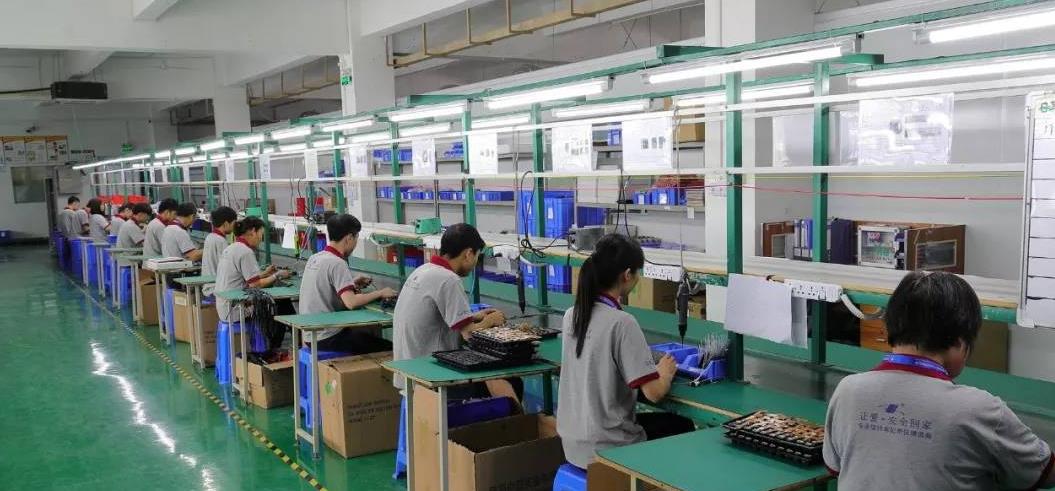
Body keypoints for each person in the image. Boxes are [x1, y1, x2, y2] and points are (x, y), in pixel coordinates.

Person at [823, 271, 1055, 491]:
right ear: (960, 342)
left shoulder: (847, 390)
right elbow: (1043, 472)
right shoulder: (980, 409)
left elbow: (835, 466)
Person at [556, 234, 694, 470]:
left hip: (573, 444)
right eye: (638, 273)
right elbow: (654, 393)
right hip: (608, 446)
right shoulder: (622, 322)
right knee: (682, 425)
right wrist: (665, 372)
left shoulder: (572, 315)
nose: (638, 278)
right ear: (627, 275)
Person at [391, 223, 517, 401]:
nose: (475, 263)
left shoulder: (423, 270)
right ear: (468, 253)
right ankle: (520, 419)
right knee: (510, 381)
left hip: (409, 373)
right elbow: (469, 335)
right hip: (433, 378)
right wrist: (491, 320)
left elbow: (437, 317)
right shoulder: (449, 279)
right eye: (477, 256)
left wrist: (474, 317)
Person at [298, 214, 397, 354]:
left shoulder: (315, 258)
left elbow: (327, 286)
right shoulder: (337, 263)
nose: (355, 244)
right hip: (328, 337)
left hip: (310, 334)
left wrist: (352, 283)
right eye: (356, 238)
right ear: (349, 238)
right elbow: (351, 303)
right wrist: (381, 293)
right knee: (388, 347)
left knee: (366, 335)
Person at [213, 217, 291, 324]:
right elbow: (255, 284)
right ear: (253, 231)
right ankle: (284, 334)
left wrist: (264, 274)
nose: (261, 238)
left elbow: (244, 278)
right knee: (281, 303)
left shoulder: (231, 248)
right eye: (261, 234)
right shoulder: (245, 252)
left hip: (224, 306)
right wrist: (277, 275)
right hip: (236, 310)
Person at [203, 206, 236, 277]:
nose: (234, 227)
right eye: (233, 224)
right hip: (216, 281)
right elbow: (228, 268)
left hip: (207, 279)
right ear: (226, 223)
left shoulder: (210, 236)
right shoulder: (221, 241)